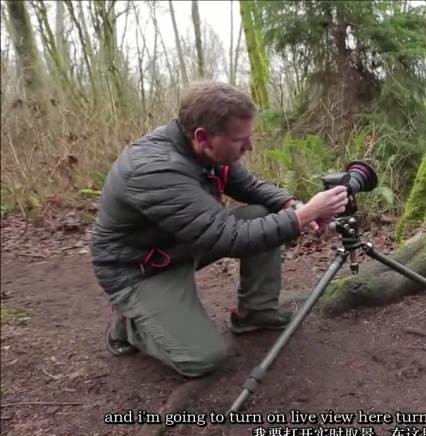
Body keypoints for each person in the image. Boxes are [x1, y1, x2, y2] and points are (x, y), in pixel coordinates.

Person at [90, 80, 348, 378]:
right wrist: (303, 216)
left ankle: (256, 314)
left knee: (260, 213)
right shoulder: (155, 169)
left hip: (180, 243)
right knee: (201, 358)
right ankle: (129, 324)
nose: (249, 147)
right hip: (139, 269)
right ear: (203, 137)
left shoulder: (205, 150)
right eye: (241, 140)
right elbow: (229, 237)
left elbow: (250, 187)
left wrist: (291, 204)